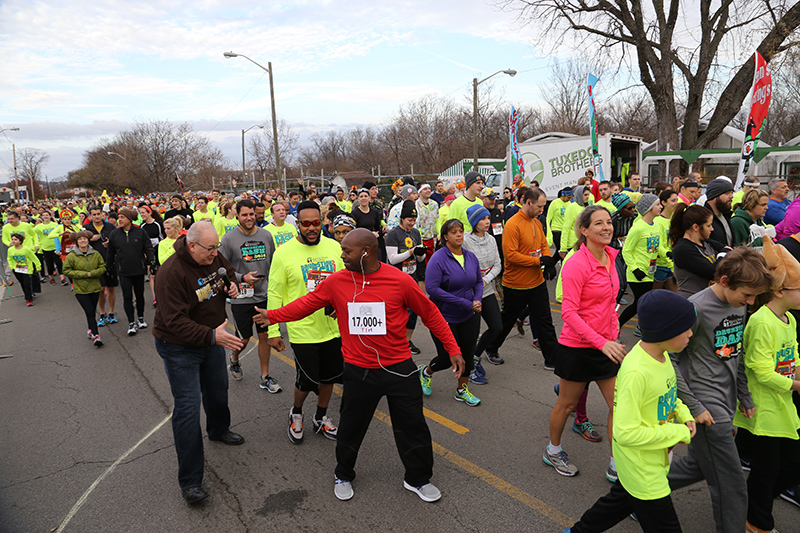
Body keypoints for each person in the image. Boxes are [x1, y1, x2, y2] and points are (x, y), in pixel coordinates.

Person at [254, 229, 462, 502]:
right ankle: (343, 473)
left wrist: (453, 349)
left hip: (399, 367)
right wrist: (273, 316)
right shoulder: (336, 281)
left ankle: (418, 479)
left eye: (347, 251)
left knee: (413, 426)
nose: (341, 256)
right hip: (358, 369)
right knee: (352, 425)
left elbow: (431, 314)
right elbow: (306, 305)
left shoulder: (399, 280)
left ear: (366, 251)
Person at [565, 290, 697, 533]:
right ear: (664, 331)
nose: (690, 333)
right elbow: (625, 433)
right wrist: (677, 433)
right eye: (685, 328)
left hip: (649, 462)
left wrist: (685, 414)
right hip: (644, 471)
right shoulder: (637, 371)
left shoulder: (662, 356)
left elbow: (668, 396)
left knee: (617, 503)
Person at [666, 248, 770, 533]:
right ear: (724, 281)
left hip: (728, 401)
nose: (750, 303)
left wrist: (744, 395)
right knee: (732, 486)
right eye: (747, 296)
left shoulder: (739, 303)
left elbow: (735, 352)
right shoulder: (695, 307)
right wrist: (695, 406)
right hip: (705, 405)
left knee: (698, 466)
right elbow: (669, 360)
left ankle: (638, 491)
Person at [153, 222, 246, 504]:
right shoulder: (170, 274)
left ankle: (218, 430)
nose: (215, 253)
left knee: (218, 390)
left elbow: (226, 272)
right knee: (188, 409)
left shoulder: (211, 254)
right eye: (209, 248)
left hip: (212, 339)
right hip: (180, 347)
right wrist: (210, 335)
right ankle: (191, 481)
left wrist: (232, 284)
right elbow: (175, 322)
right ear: (191, 245)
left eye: (216, 247)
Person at [546, 206, 626, 480]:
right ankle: (553, 450)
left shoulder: (612, 257)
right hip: (578, 347)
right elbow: (568, 313)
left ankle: (617, 463)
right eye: (599, 224)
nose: (607, 228)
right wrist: (601, 342)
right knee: (566, 405)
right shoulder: (576, 264)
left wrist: (611, 336)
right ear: (584, 230)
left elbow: (609, 303)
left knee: (619, 406)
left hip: (607, 346)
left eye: (608, 223)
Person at [733, 238, 800, 533]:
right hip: (763, 407)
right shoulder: (762, 322)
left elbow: (794, 355)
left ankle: (752, 503)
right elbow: (759, 372)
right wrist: (797, 385)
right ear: (780, 290)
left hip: (782, 404)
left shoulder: (789, 319)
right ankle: (758, 521)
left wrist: (796, 376)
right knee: (766, 469)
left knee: (790, 465)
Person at [266, 201, 345, 444]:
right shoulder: (284, 253)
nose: (312, 228)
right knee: (307, 380)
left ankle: (320, 417)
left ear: (322, 222)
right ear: (297, 224)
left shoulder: (334, 247)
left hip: (333, 329)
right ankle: (296, 412)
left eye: (316, 223)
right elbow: (275, 294)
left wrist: (342, 309)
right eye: (306, 224)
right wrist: (272, 329)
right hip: (302, 330)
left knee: (329, 377)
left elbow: (345, 282)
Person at [481, 187, 559, 369]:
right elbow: (511, 255)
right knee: (507, 321)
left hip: (537, 283)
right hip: (515, 285)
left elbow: (543, 245)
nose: (542, 210)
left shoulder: (537, 222)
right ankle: (491, 348)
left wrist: (547, 263)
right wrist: (538, 260)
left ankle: (552, 359)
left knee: (545, 320)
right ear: (528, 203)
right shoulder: (512, 224)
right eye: (539, 207)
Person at [219, 199, 282, 393]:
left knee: (264, 337)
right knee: (244, 339)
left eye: (252, 214)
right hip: (242, 297)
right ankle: (235, 358)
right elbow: (220, 268)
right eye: (244, 214)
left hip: (264, 295)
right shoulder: (229, 239)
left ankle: (265, 376)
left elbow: (274, 264)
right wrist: (241, 277)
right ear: (236, 215)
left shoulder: (266, 235)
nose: (249, 218)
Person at [419, 218, 483, 405]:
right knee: (447, 358)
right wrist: (465, 302)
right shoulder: (438, 258)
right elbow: (432, 288)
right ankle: (425, 372)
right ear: (445, 236)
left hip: (468, 314)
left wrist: (477, 299)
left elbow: (478, 281)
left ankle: (462, 391)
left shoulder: (470, 257)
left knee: (468, 355)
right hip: (443, 316)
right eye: (454, 232)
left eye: (461, 231)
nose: (458, 235)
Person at [463, 204, 503, 385]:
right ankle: (468, 369)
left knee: (497, 327)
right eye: (482, 219)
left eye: (488, 218)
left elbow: (498, 264)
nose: (487, 222)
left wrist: (486, 280)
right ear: (473, 223)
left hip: (486, 290)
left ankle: (476, 356)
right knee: (471, 334)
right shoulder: (464, 241)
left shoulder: (491, 239)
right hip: (469, 294)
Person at [620, 194, 668, 333]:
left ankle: (642, 328)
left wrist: (666, 254)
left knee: (643, 303)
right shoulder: (638, 228)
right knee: (640, 303)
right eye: (658, 204)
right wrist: (635, 269)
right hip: (638, 273)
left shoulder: (656, 225)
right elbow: (626, 250)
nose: (661, 207)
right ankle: (617, 325)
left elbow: (656, 246)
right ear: (649, 208)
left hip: (650, 271)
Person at [385, 200, 426, 355]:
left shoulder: (415, 233)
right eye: (409, 220)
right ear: (402, 218)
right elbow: (392, 258)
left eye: (414, 220)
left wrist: (419, 254)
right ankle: (396, 340)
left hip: (412, 276)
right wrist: (410, 252)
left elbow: (419, 259)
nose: (412, 223)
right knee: (399, 311)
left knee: (413, 310)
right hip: (396, 278)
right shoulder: (393, 234)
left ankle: (407, 340)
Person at [107, 208, 156, 336]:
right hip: (123, 271)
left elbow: (148, 248)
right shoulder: (114, 234)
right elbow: (110, 252)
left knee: (139, 296)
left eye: (122, 217)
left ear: (129, 219)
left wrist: (152, 262)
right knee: (127, 297)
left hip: (139, 270)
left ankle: (140, 318)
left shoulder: (140, 232)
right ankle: (131, 323)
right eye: (119, 217)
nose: (120, 219)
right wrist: (109, 267)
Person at [669, 204, 727, 298]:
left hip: (709, 301)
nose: (712, 229)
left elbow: (730, 251)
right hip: (694, 304)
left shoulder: (706, 243)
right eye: (708, 225)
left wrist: (724, 254)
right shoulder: (683, 249)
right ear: (695, 227)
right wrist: (723, 255)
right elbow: (713, 272)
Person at [62, 231, 107, 347]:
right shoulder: (72, 256)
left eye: (85, 239)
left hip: (95, 288)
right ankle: (96, 335)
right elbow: (66, 270)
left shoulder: (95, 254)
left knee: (91, 310)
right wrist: (83, 274)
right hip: (81, 290)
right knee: (90, 311)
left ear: (88, 240)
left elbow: (102, 267)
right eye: (80, 239)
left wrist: (93, 273)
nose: (83, 241)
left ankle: (90, 330)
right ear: (76, 241)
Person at [86, 206, 119, 326]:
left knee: (111, 288)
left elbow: (117, 240)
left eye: (98, 214)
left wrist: (111, 243)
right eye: (94, 214)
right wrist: (90, 239)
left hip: (110, 261)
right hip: (94, 263)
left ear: (102, 214)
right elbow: (80, 243)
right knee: (100, 289)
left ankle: (111, 312)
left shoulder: (110, 226)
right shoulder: (87, 228)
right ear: (90, 216)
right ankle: (102, 313)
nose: (96, 216)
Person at [653, 189, 681, 292]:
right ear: (664, 203)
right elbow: (658, 245)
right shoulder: (657, 221)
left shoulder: (675, 219)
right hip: (660, 265)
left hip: (672, 264)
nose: (676, 203)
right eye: (673, 200)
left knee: (676, 297)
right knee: (654, 297)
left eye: (677, 200)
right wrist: (670, 261)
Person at [139, 204, 165, 307]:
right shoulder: (142, 225)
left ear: (149, 213)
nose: (142, 215)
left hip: (159, 249)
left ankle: (163, 294)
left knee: (161, 273)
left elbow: (163, 237)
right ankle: (155, 298)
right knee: (152, 274)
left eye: (143, 212)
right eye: (140, 213)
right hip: (148, 251)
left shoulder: (158, 224)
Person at [6, 233, 41, 306]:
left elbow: (34, 258)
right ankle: (28, 295)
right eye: (12, 239)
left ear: (20, 241)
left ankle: (29, 299)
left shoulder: (26, 249)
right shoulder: (10, 250)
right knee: (22, 283)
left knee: (27, 283)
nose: (13, 241)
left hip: (27, 269)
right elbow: (9, 259)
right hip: (17, 269)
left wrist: (38, 267)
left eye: (15, 239)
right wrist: (12, 267)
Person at [33, 210, 65, 285]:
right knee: (49, 264)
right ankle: (52, 279)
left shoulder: (55, 224)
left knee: (59, 263)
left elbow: (60, 232)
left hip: (56, 247)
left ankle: (62, 279)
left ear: (50, 216)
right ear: (42, 217)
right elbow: (32, 234)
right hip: (46, 248)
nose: (45, 216)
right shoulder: (38, 227)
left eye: (47, 215)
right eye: (44, 215)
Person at [351, 188, 384, 259]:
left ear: (369, 198)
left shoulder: (374, 213)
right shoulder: (354, 213)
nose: (364, 198)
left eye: (366, 196)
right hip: (360, 244)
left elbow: (378, 229)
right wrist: (369, 234)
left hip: (372, 243)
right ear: (358, 199)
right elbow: (354, 231)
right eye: (361, 196)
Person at [559, 185, 591, 257]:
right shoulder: (572, 207)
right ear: (579, 195)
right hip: (573, 245)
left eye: (588, 194)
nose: (587, 197)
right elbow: (566, 227)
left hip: (584, 243)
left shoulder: (586, 207)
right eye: (585, 195)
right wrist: (563, 248)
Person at [415, 183, 439, 264]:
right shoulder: (416, 205)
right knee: (422, 263)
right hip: (420, 239)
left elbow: (437, 220)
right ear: (419, 192)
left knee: (431, 263)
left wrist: (438, 233)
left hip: (431, 238)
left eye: (429, 188)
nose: (428, 190)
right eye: (425, 189)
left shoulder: (434, 204)